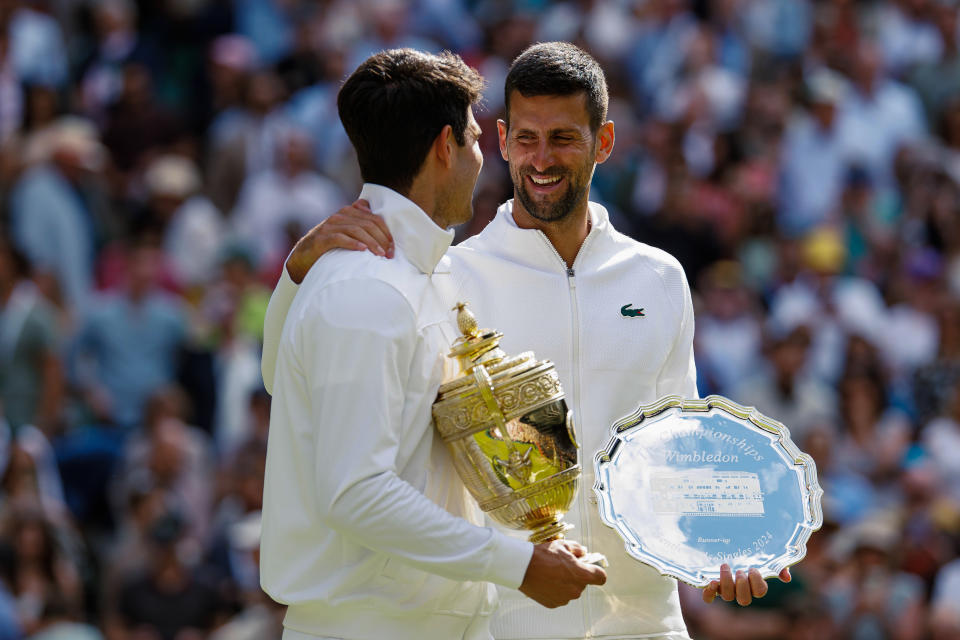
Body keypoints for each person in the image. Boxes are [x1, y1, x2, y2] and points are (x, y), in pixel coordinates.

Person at [262, 42, 788, 640]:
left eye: (563, 138)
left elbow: (680, 446)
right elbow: (296, 385)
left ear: (604, 143)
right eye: (526, 138)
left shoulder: (661, 278)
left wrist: (722, 546)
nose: (542, 159)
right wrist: (297, 271)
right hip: (507, 622)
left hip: (648, 622)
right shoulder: (444, 279)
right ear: (503, 139)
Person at [259, 48, 606, 640]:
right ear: (445, 146)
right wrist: (518, 567)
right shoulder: (367, 290)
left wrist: (295, 274)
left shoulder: (419, 275)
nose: (481, 160)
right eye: (474, 140)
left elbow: (277, 376)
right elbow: (356, 494)